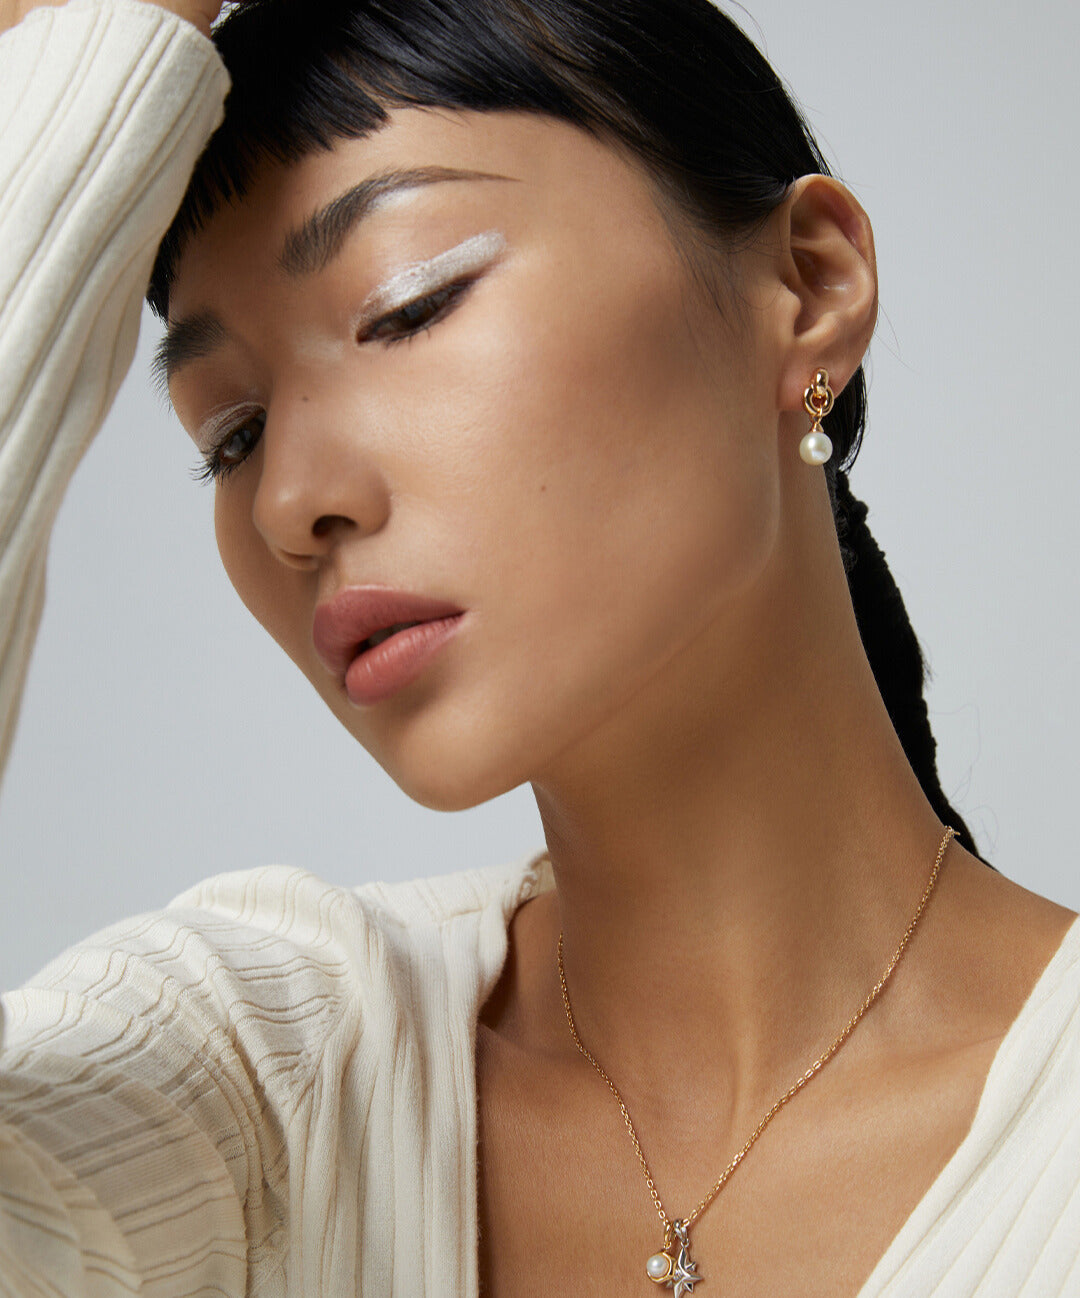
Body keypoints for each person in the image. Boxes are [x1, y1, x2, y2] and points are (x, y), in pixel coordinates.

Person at [0, 0, 1077, 1295]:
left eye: (407, 307)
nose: (291, 500)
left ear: (808, 285)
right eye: (231, 432)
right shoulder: (259, 1084)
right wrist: (81, 77)